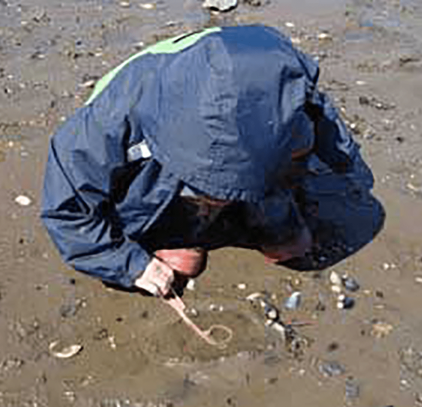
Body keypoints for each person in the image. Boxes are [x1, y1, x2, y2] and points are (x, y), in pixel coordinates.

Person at [41, 25, 358, 298]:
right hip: (153, 181)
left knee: (293, 245)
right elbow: (68, 211)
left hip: (253, 160)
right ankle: (179, 229)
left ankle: (241, 206)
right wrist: (131, 264)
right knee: (182, 266)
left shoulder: (276, 78)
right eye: (216, 195)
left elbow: (318, 112)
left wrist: (342, 159)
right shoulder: (105, 124)